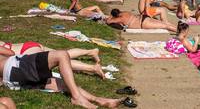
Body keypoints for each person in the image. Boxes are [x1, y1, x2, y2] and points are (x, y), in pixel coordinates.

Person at [0, 46, 133, 108]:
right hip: (14, 67)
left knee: (66, 84)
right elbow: (9, 52)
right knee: (61, 55)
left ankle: (100, 100)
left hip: (14, 75)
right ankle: (77, 98)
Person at [0, 41, 104, 79]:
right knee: (64, 54)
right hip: (28, 45)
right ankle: (91, 51)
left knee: (61, 62)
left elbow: (11, 53)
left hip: (27, 51)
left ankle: (92, 68)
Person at [106, 9, 176, 32]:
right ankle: (180, 28)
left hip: (143, 23)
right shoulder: (125, 12)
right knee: (164, 23)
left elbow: (108, 21)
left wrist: (111, 16)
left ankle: (179, 31)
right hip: (144, 17)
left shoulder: (120, 19)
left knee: (165, 26)